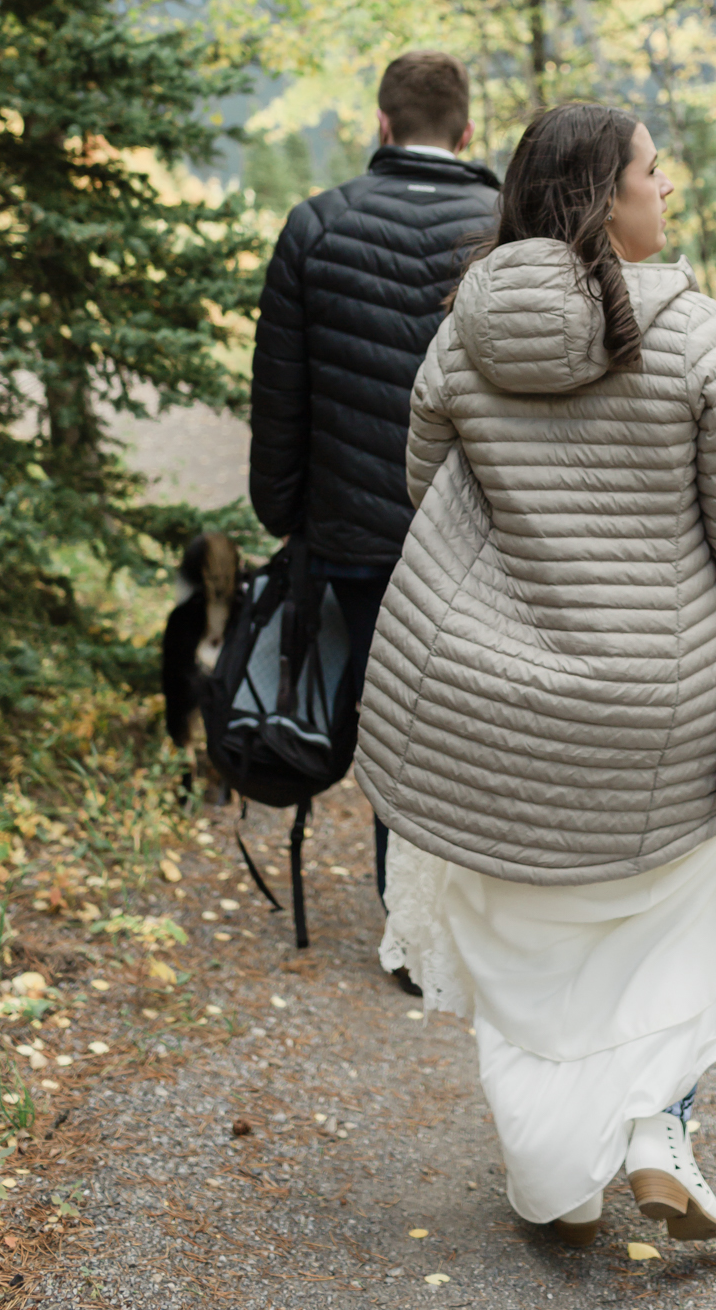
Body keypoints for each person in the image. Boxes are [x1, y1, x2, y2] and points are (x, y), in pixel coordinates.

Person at [354, 103, 716, 1247]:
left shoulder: (465, 330)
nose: (671, 188)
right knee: (695, 911)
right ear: (609, 197)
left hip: (493, 706)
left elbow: (428, 489)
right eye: (656, 171)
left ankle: (554, 1184)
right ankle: (657, 1124)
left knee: (532, 944)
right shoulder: (694, 335)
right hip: (661, 698)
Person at [248, 50, 500, 943]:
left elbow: (281, 395)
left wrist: (284, 515)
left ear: (382, 127)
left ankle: (412, 924)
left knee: (384, 715)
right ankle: (477, 920)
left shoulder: (315, 227)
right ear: (468, 133)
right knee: (470, 718)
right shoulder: (511, 228)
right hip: (482, 539)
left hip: (354, 534)